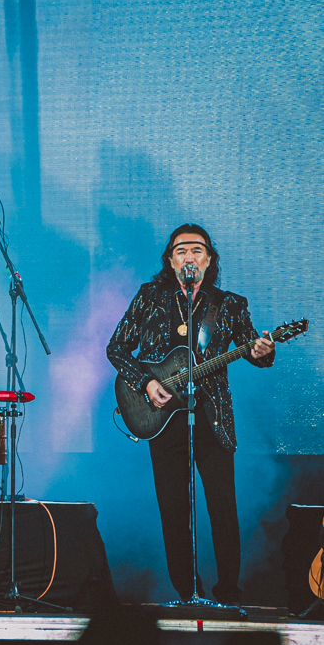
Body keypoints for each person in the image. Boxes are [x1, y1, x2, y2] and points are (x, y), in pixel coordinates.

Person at [107, 224, 275, 605]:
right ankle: (188, 592)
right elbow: (116, 349)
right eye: (181, 250)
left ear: (209, 259)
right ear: (170, 260)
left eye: (197, 250)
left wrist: (264, 351)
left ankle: (228, 593)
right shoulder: (150, 297)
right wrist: (147, 384)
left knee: (222, 508)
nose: (189, 257)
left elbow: (252, 351)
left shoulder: (229, 304)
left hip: (212, 420)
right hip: (163, 420)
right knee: (173, 511)